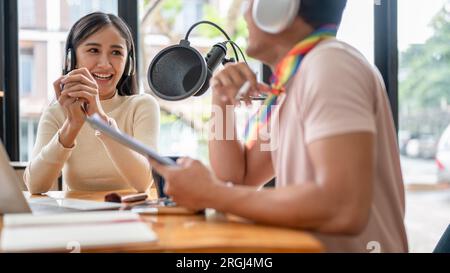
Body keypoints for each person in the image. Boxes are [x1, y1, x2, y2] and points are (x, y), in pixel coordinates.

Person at [149, 0, 408, 252]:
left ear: (278, 6)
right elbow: (237, 177)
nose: (245, 15)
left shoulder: (330, 66)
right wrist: (222, 101)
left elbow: (342, 207)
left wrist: (211, 194)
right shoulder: (292, 85)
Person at [25, 12, 160, 193]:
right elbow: (35, 185)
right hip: (78, 218)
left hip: (130, 216)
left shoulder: (142, 106)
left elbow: (144, 182)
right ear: (71, 59)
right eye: (93, 50)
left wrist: (100, 120)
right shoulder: (57, 112)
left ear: (128, 63)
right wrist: (72, 125)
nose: (104, 64)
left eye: (116, 52)